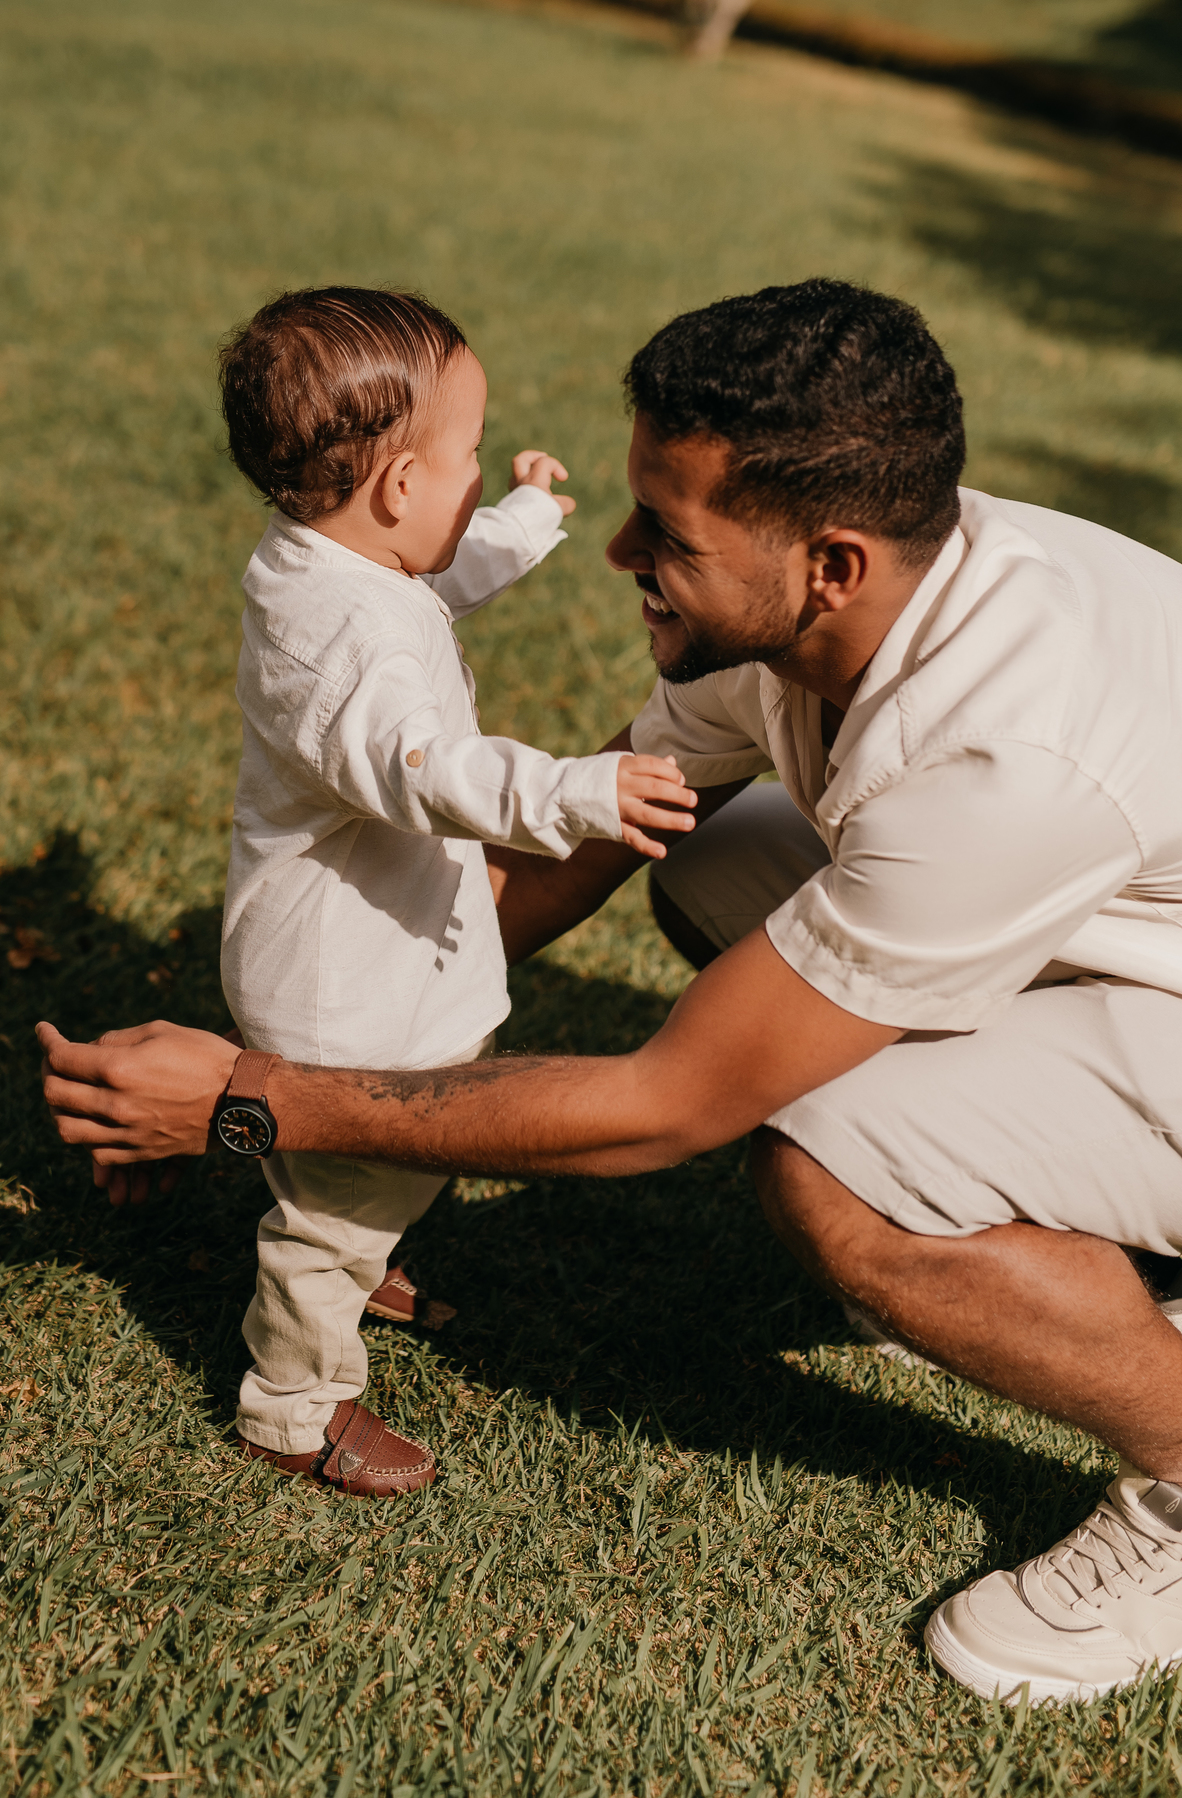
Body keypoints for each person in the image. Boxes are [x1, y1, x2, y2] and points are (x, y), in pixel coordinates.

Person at [40, 279, 1182, 1705]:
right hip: (1133, 929)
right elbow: (597, 829)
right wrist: (345, 1019)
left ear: (829, 566)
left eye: (668, 534)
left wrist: (250, 1100)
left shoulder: (1002, 763)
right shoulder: (843, 589)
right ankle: (1099, 1227)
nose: (617, 550)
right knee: (705, 855)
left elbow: (665, 1107)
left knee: (833, 1172)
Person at [178, 287, 696, 1500]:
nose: (475, 473)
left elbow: (430, 584)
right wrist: (574, 790)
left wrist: (516, 520)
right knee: (338, 1203)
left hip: (377, 957)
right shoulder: (341, 646)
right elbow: (423, 769)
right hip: (344, 988)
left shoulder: (337, 563)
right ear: (400, 486)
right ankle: (294, 1398)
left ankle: (364, 1246)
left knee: (391, 1155)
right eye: (470, 455)